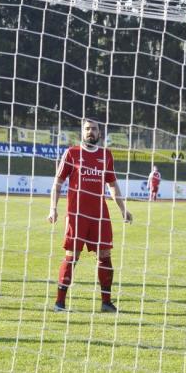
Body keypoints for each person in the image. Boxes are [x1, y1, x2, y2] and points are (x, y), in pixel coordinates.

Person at [47, 119, 133, 313]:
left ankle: (106, 302)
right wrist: (53, 208)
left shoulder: (106, 155)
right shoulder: (72, 153)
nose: (90, 132)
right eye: (87, 129)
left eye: (94, 129)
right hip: (77, 215)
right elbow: (58, 183)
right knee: (72, 256)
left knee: (105, 256)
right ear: (82, 132)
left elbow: (112, 185)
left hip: (100, 216)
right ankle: (59, 303)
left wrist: (122, 209)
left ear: (100, 132)